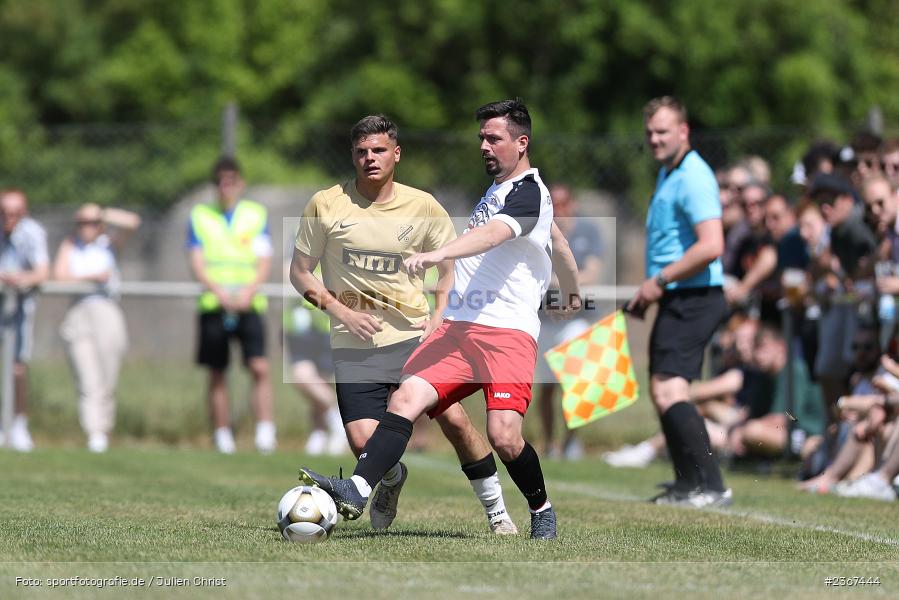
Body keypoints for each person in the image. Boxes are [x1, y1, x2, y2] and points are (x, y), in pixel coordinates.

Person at [298, 99, 581, 540]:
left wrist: (441, 252)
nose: (484, 146)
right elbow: (557, 241)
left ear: (521, 143)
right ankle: (356, 489)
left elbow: (496, 233)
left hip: (506, 333)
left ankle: (540, 508)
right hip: (458, 328)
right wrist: (574, 288)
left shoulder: (530, 193)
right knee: (406, 398)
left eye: (495, 138)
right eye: (482, 138)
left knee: (504, 436)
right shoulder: (501, 190)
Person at [626, 96, 731, 507]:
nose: (654, 139)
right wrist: (653, 289)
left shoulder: (693, 177)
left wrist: (660, 281)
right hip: (677, 295)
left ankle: (712, 486)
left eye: (663, 131)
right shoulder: (670, 173)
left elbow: (711, 246)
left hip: (696, 295)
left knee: (671, 389)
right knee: (662, 389)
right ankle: (687, 484)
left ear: (683, 132)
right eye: (650, 131)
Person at [188, 157, 276, 454]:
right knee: (217, 371)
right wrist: (219, 292)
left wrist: (250, 291)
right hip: (215, 304)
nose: (226, 187)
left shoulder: (255, 214)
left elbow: (264, 259)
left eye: (231, 180)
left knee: (259, 366)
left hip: (250, 303)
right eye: (220, 181)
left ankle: (265, 431)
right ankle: (222, 434)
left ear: (240, 182)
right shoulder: (200, 215)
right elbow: (197, 261)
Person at [53, 203, 140, 452]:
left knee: (107, 374)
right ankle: (94, 432)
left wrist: (102, 214)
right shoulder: (70, 245)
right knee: (86, 375)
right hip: (79, 312)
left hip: (106, 311)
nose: (85, 227)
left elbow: (133, 221)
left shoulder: (108, 244)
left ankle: (104, 428)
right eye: (81, 222)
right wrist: (90, 277)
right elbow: (59, 276)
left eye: (91, 223)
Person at [534, 183, 603, 459]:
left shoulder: (588, 231)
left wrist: (561, 281)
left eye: (563, 204)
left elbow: (592, 273)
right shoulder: (539, 232)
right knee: (547, 387)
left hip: (577, 318)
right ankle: (550, 443)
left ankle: (572, 440)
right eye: (554, 204)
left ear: (572, 204)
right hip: (546, 319)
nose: (559, 210)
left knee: (575, 382)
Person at [282, 254, 346, 456]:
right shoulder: (303, 237)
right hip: (301, 327)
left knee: (323, 381)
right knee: (303, 378)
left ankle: (319, 432)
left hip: (328, 325)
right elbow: (289, 274)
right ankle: (338, 422)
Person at [0, 189, 49, 452]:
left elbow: (42, 271)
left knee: (18, 367)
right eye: (5, 213)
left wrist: (20, 280)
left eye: (15, 213)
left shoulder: (32, 232)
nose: (10, 219)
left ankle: (18, 424)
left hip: (18, 308)